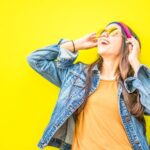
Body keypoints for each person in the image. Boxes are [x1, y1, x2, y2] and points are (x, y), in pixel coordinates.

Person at [27, 21, 150, 150]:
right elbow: (35, 60)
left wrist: (135, 62)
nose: (104, 35)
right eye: (103, 32)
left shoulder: (134, 84)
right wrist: (75, 45)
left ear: (129, 44)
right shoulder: (77, 75)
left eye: (113, 33)